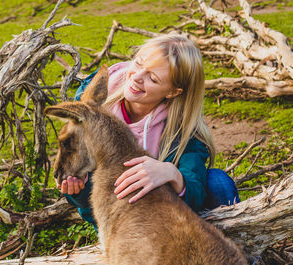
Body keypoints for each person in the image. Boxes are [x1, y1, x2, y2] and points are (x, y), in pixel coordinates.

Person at [57, 34, 240, 227]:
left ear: (172, 92)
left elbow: (195, 189)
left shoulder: (183, 130)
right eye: (138, 63)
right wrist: (79, 191)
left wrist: (172, 174)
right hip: (124, 220)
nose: (136, 77)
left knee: (218, 183)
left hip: (169, 212)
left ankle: (238, 246)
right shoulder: (95, 103)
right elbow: (93, 206)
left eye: (152, 78)